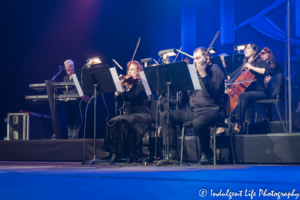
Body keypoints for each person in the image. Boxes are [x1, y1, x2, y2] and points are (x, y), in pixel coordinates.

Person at [160, 47, 226, 164]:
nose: (195, 61)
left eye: (198, 58)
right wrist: (182, 86)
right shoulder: (192, 73)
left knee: (198, 122)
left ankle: (206, 152)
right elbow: (182, 102)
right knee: (166, 115)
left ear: (206, 58)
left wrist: (203, 73)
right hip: (194, 111)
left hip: (213, 109)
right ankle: (172, 153)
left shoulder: (214, 69)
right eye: (194, 58)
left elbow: (215, 93)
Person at [102, 60, 152, 163]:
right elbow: (118, 100)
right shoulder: (128, 84)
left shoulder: (141, 84)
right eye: (129, 70)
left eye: (133, 70)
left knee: (126, 122)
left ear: (138, 71)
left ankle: (132, 155)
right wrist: (117, 93)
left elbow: (130, 98)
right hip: (129, 114)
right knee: (113, 121)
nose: (130, 72)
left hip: (142, 114)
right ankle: (115, 153)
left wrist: (123, 91)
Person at [227, 43, 270, 134]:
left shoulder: (260, 62)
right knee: (229, 95)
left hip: (260, 91)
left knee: (243, 96)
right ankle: (224, 121)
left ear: (254, 51)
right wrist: (226, 78)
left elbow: (266, 71)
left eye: (248, 48)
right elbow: (234, 74)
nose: (245, 50)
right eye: (245, 48)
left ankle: (239, 124)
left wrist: (251, 67)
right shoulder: (244, 65)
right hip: (249, 93)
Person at [63, 60, 80, 139]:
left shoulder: (77, 76)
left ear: (73, 67)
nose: (67, 70)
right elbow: (64, 90)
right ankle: (69, 136)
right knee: (68, 120)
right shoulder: (65, 78)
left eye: (68, 68)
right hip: (68, 102)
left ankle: (75, 136)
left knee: (76, 120)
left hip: (76, 102)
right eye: (65, 68)